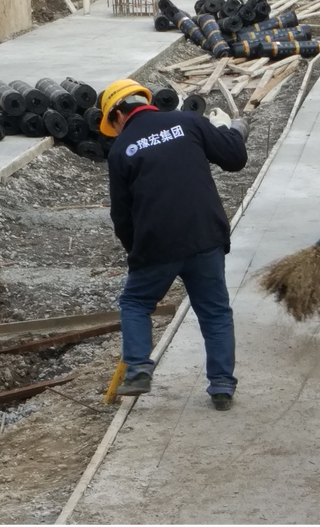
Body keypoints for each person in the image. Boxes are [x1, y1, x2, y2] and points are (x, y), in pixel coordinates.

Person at [101, 79, 248, 411]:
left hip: (157, 244)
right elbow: (235, 158)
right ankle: (222, 386)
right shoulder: (187, 122)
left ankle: (138, 369)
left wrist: (135, 253)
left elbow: (121, 215)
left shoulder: (121, 148)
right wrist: (234, 132)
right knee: (215, 312)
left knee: (135, 302)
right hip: (205, 235)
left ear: (117, 115)